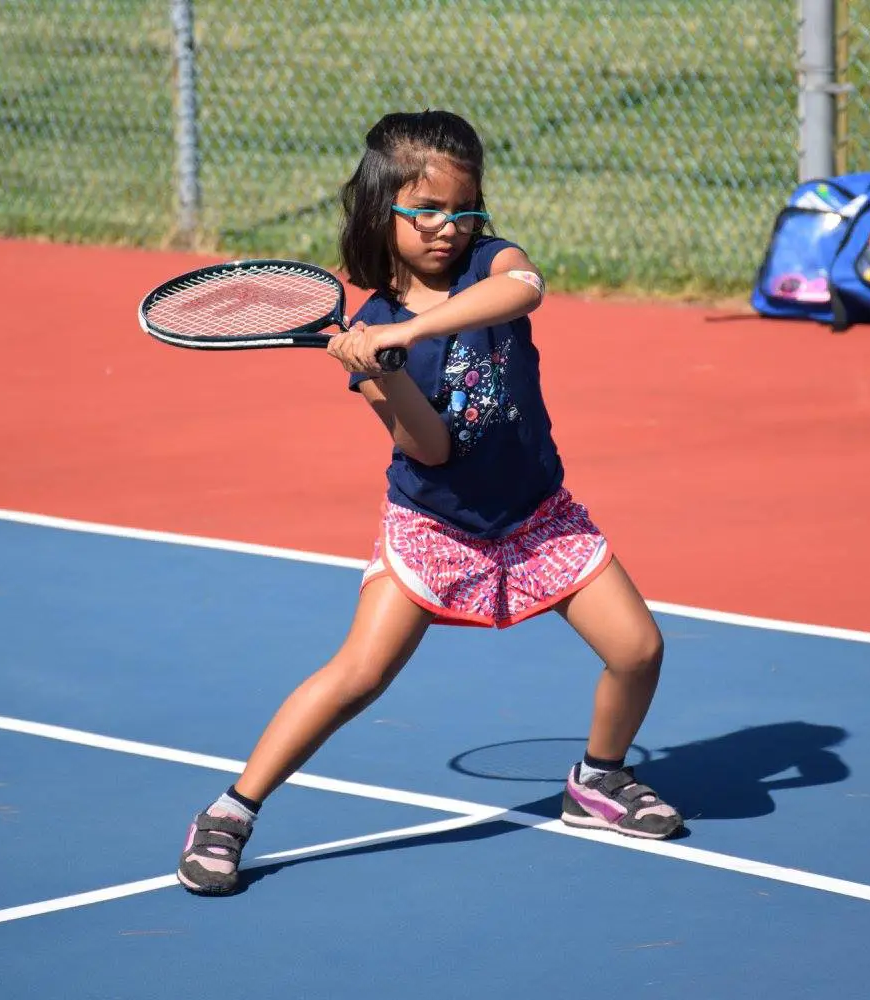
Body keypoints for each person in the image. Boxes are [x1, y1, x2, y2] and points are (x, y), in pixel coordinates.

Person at [177, 109, 680, 896]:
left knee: (638, 650)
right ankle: (230, 812)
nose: (450, 228)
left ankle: (598, 780)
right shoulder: (369, 332)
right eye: (428, 212)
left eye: (464, 209)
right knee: (360, 676)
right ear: (384, 213)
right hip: (436, 526)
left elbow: (526, 290)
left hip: (538, 513)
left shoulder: (490, 265)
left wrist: (416, 333)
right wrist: (387, 368)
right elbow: (431, 449)